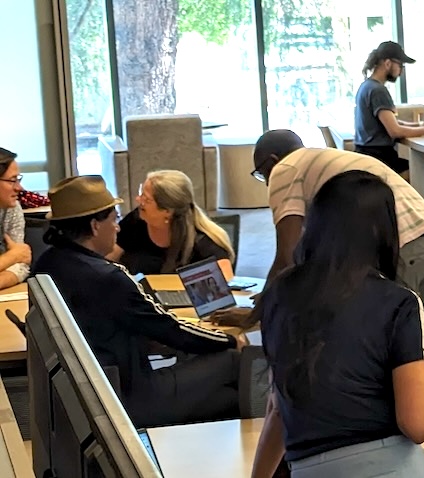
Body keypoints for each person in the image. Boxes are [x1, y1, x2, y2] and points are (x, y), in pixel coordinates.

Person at [249, 170, 424, 478]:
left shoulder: (279, 296)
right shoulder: (400, 303)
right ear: (383, 230)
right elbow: (417, 424)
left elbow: (278, 410)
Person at [32, 175, 246, 428]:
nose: (118, 228)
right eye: (114, 220)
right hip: (130, 396)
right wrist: (230, 339)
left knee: (231, 399)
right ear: (94, 226)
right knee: (236, 359)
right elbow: (171, 330)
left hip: (85, 393)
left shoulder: (45, 264)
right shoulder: (109, 278)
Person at [252, 129, 424, 311]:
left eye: (261, 174)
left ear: (272, 160)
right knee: (409, 335)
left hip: (399, 246)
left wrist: (260, 309)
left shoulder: (285, 169)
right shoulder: (325, 160)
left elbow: (287, 255)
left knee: (378, 334)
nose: (268, 183)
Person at [354, 40, 424, 194]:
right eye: (400, 65)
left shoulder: (366, 86)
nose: (401, 71)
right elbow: (395, 131)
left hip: (368, 157)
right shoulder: (378, 91)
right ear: (387, 63)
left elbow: (390, 122)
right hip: (381, 159)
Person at [111, 170, 235, 274]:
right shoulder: (136, 221)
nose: (138, 200)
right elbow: (108, 257)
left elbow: (223, 285)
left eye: (146, 199)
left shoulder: (204, 241)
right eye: (140, 193)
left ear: (167, 211)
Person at [0, 148, 33, 289]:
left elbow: (22, 264)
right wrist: (12, 256)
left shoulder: (12, 208)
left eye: (18, 179)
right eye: (12, 181)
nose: (19, 188)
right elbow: (19, 254)